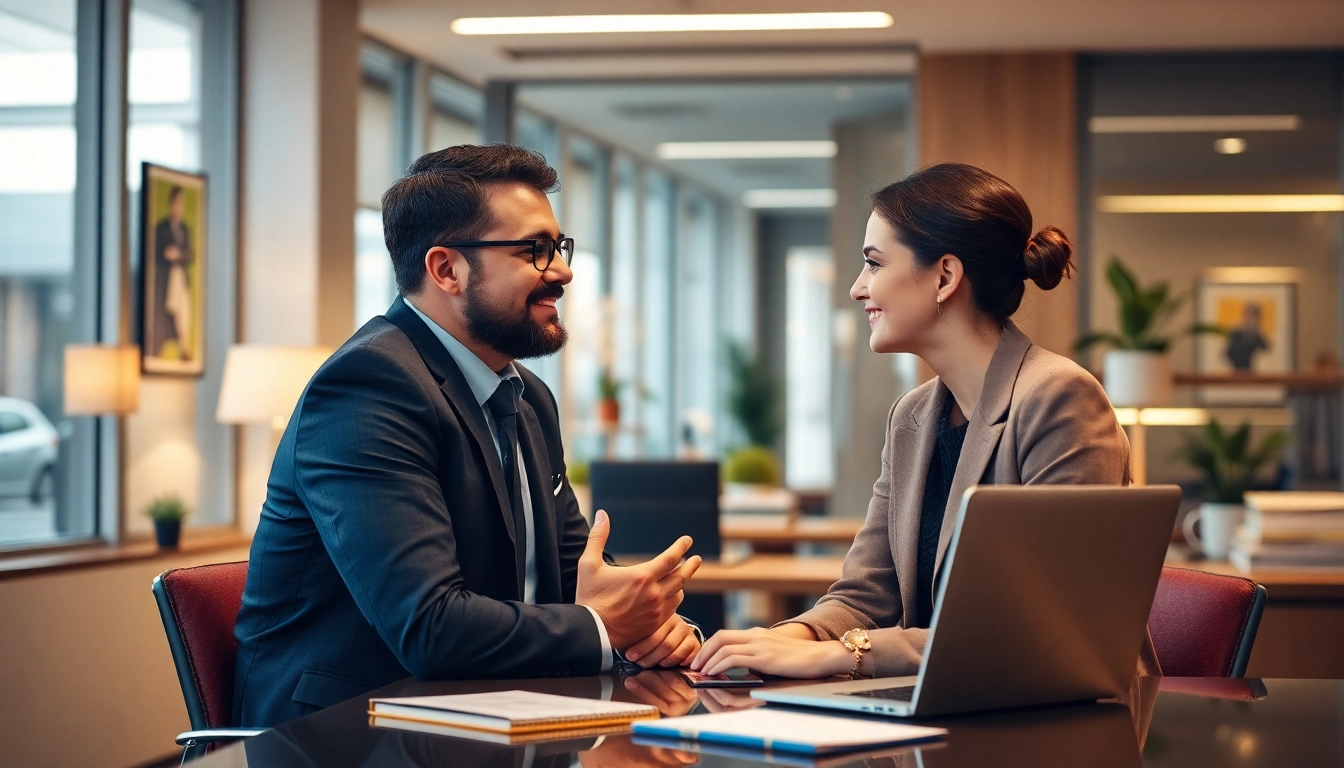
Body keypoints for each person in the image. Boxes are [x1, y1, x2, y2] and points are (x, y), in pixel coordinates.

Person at [233, 145, 703, 727]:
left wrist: (649, 628)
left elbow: (574, 572)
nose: (562, 270)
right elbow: (430, 627)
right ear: (446, 269)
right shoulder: (368, 387)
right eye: (534, 250)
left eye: (558, 247)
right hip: (352, 730)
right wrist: (605, 626)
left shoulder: (527, 396)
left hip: (496, 712)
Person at [691, 162, 1159, 680]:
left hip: (1058, 721)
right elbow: (865, 594)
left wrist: (841, 654)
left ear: (945, 276)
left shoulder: (1060, 398)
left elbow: (1047, 627)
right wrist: (775, 639)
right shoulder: (910, 416)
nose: (855, 289)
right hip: (946, 711)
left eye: (873, 263)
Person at [151, 185, 193, 360]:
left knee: (184, 313)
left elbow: (190, 254)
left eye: (181, 204)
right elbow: (156, 253)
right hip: (166, 280)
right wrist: (166, 253)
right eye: (176, 203)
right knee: (164, 316)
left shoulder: (185, 229)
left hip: (180, 278)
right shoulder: (162, 228)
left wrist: (179, 254)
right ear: (171, 205)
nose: (179, 207)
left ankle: (185, 349)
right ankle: (156, 350)